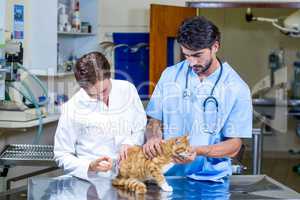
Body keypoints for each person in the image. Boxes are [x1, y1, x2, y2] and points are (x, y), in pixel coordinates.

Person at [143, 16, 252, 182]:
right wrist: (153, 137)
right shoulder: (170, 75)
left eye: (197, 55)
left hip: (210, 179)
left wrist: (199, 151)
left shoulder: (237, 88)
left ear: (215, 46)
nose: (192, 62)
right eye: (186, 55)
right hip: (168, 175)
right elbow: (154, 120)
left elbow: (234, 146)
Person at [54, 52, 147, 180]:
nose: (101, 97)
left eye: (104, 90)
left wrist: (131, 143)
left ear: (110, 75)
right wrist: (89, 166)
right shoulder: (72, 108)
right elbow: (62, 154)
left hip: (130, 176)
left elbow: (139, 127)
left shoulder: (127, 90)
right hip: (93, 182)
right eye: (93, 94)